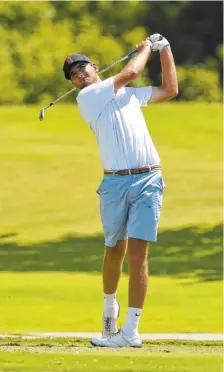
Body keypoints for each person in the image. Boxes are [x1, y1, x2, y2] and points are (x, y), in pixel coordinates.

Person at [63, 33, 178, 348]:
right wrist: (144, 50)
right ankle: (109, 309)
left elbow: (170, 90)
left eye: (83, 68)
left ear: (95, 67)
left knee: (139, 256)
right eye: (73, 75)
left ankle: (130, 332)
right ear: (73, 84)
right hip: (114, 183)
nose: (79, 75)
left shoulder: (129, 95)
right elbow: (130, 72)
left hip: (148, 179)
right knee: (115, 251)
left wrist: (164, 49)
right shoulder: (87, 98)